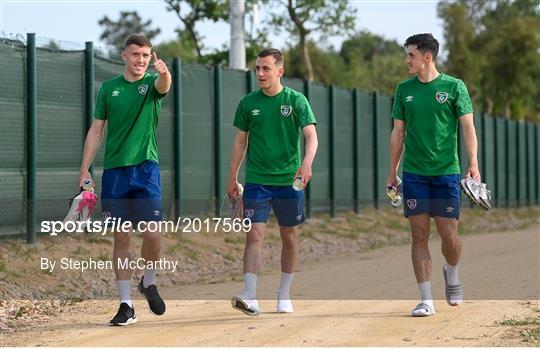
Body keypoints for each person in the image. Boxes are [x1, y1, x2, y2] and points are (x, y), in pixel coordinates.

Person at [79, 33, 171, 325]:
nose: (141, 60)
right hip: (116, 172)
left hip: (146, 169)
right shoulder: (108, 89)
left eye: (145, 55)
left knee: (154, 234)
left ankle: (149, 281)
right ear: (124, 56)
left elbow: (163, 85)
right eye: (135, 55)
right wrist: (84, 170)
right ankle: (125, 305)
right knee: (121, 237)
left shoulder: (151, 84)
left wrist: (164, 73)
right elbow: (96, 131)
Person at [387, 33, 480, 317]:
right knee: (418, 234)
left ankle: (452, 271)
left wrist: (473, 162)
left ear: (427, 57)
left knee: (448, 236)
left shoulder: (454, 87)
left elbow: (467, 127)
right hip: (414, 174)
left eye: (411, 55)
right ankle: (426, 299)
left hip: (446, 173)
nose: (407, 60)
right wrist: (392, 171)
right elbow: (398, 132)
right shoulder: (404, 90)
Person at [228, 48, 318, 315]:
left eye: (266, 68)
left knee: (289, 236)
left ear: (280, 71)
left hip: (289, 182)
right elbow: (240, 142)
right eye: (257, 68)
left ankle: (283, 293)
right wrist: (233, 176)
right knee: (254, 234)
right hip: (257, 181)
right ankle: (250, 294)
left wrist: (307, 163)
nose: (260, 73)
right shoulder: (248, 103)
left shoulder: (297, 100)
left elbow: (311, 136)